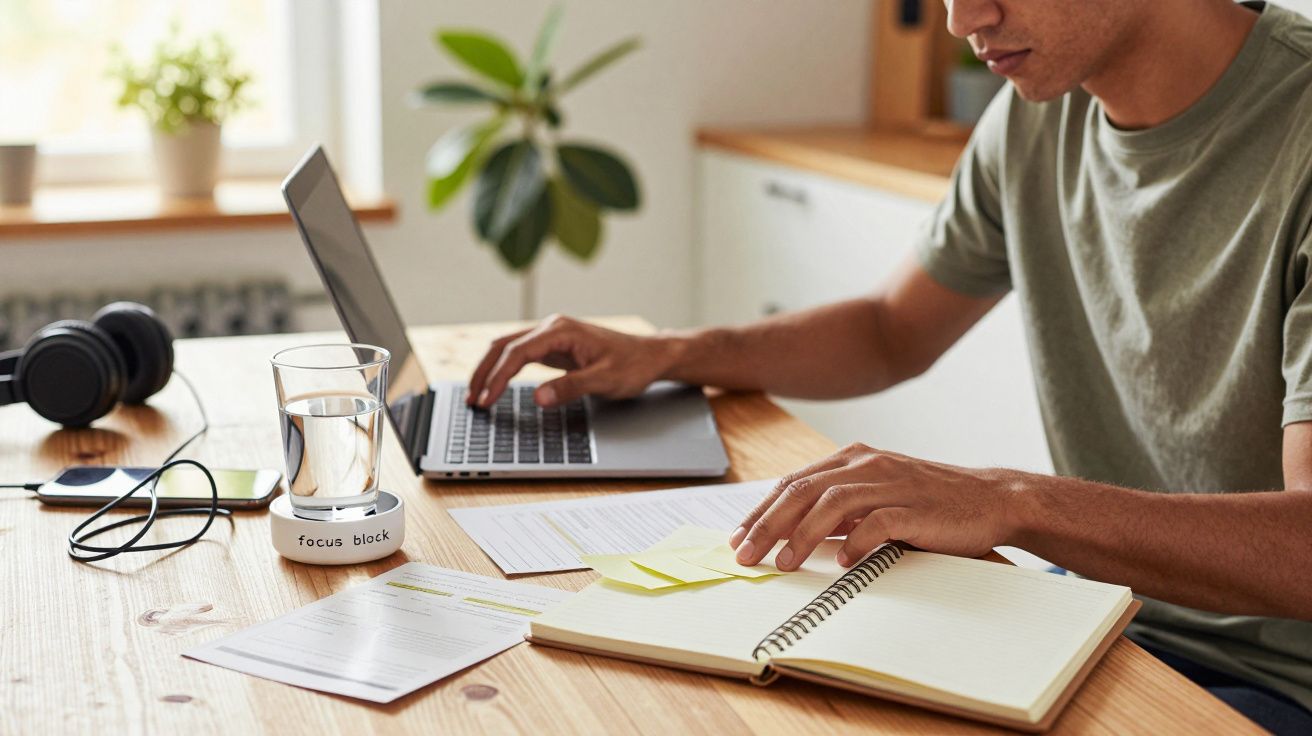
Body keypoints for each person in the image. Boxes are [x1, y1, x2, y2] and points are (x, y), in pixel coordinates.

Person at [467, 0, 1312, 731]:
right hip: (1097, 619)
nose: (960, 20)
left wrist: (1010, 500)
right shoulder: (1038, 111)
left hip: (1276, 685)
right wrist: (674, 353)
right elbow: (887, 330)